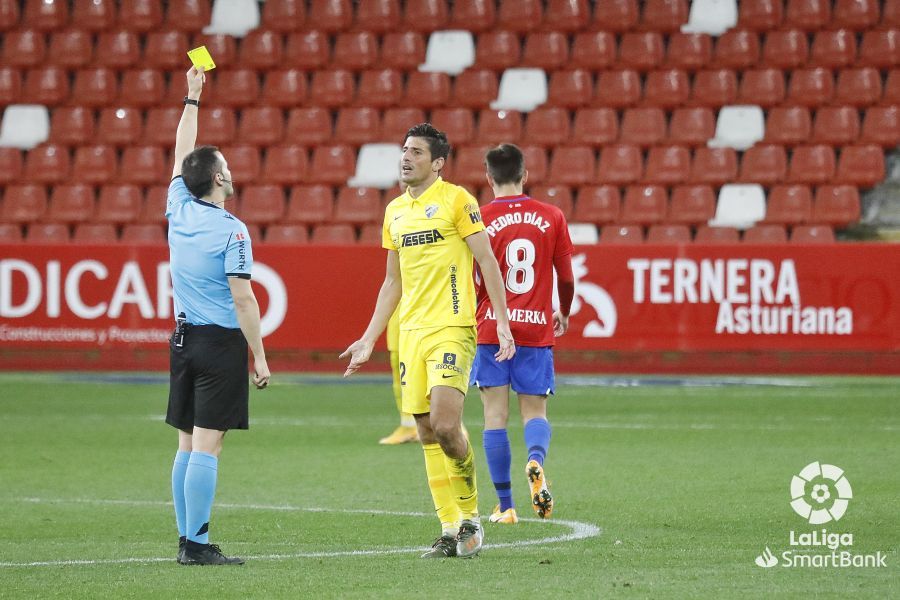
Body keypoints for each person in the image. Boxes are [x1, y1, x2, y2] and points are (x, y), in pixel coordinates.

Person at [341, 123, 515, 559]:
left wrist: (503, 321)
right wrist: (368, 338)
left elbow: (487, 262)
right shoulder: (395, 211)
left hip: (453, 328)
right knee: (424, 432)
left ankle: (472, 519)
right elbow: (391, 283)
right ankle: (448, 526)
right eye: (404, 150)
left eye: (415, 152)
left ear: (437, 163)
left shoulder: (458, 200)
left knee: (444, 422)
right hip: (411, 331)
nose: (405, 157)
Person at [166, 66, 270, 566]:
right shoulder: (233, 231)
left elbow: (185, 148)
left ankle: (187, 539)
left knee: (187, 444)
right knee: (208, 447)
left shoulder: (178, 206)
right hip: (219, 344)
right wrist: (261, 356)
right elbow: (244, 298)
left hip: (182, 339)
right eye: (224, 164)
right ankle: (198, 544)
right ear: (220, 178)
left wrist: (192, 99)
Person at [471, 144, 574, 525]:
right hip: (535, 326)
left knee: (494, 416)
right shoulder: (552, 216)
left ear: (488, 176)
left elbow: (471, 277)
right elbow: (565, 276)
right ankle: (535, 460)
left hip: (491, 327)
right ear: (525, 174)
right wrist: (562, 310)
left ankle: (506, 506)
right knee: (535, 412)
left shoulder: (478, 219)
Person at [378, 308, 419, 445]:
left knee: (436, 366)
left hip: (433, 308)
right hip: (401, 309)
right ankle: (408, 425)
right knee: (399, 362)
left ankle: (455, 425)